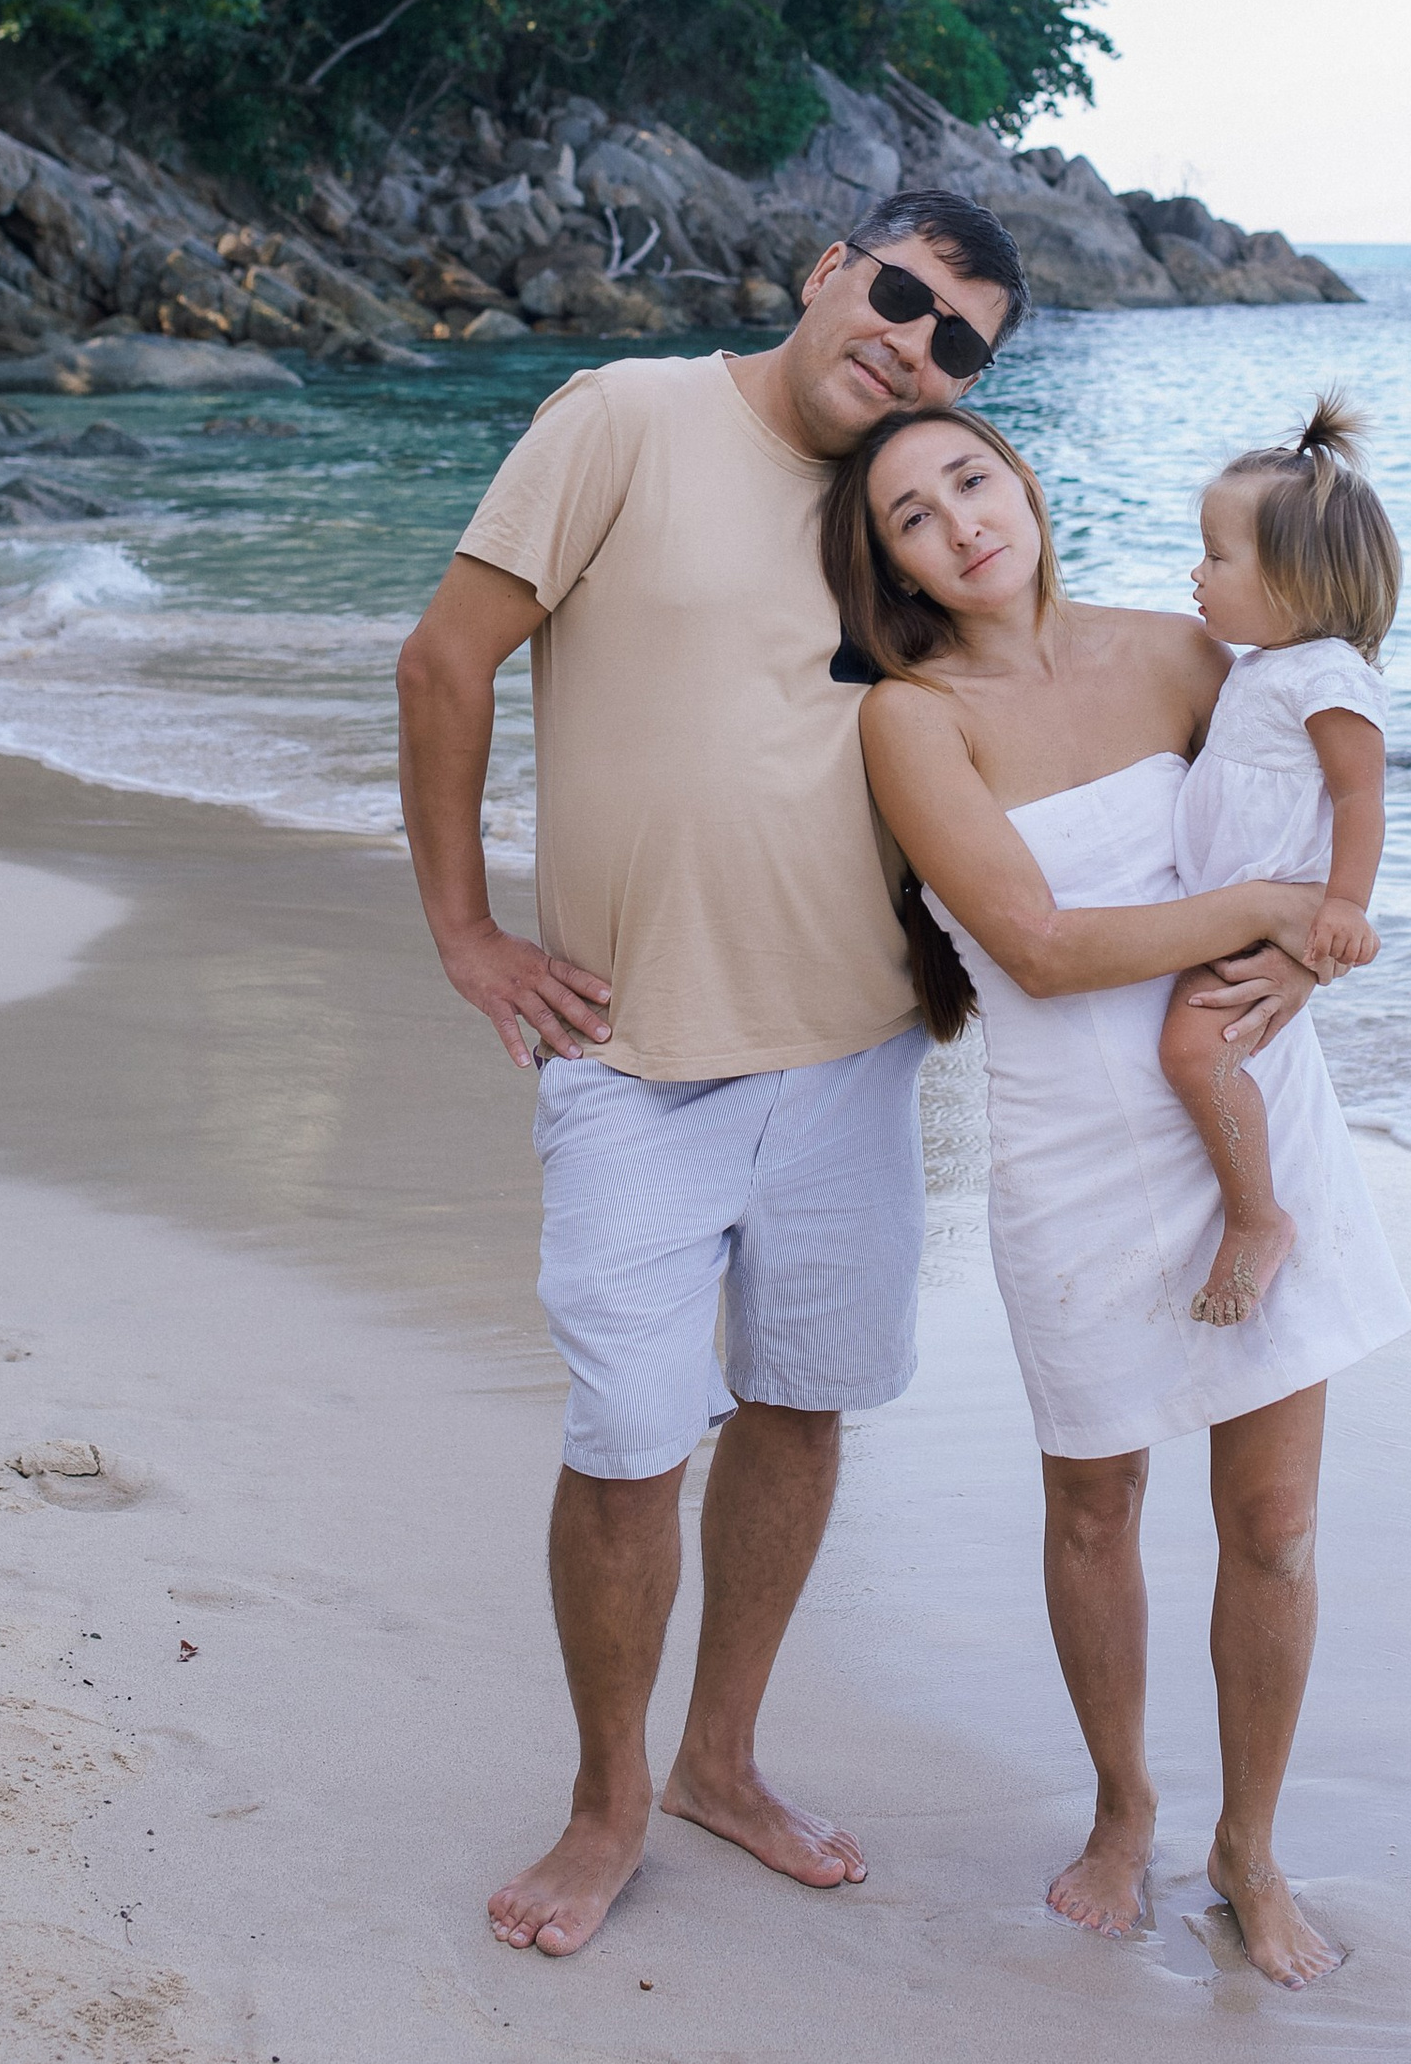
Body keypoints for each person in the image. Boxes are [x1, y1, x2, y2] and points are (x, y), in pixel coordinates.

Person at [395, 195, 1310, 1960]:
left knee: (803, 1411)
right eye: (900, 297)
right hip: (630, 1046)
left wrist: (1302, 906)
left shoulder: (905, 516)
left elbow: (1077, 699)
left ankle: (723, 1763)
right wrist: (465, 930)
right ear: (829, 271)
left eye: (961, 341)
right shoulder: (623, 418)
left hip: (856, 1058)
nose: (914, 343)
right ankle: (607, 1804)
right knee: (630, 1437)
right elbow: (449, 661)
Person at [825, 402, 1411, 1984]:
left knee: (1275, 1520)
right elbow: (1037, 944)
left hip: (1246, 1104)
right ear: (886, 565)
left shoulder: (1190, 646)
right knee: (1097, 1500)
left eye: (971, 478)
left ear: (1022, 481)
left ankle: (1249, 1852)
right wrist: (1266, 908)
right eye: (910, 517)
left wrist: (1310, 944)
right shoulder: (909, 717)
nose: (959, 522)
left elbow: (1328, 780)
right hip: (1071, 1142)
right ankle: (1122, 1809)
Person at [1157, 396, 1398, 1331]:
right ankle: (1252, 1208)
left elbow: (1360, 796)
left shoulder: (1328, 674)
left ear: (1295, 581)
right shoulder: (1262, 665)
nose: (1197, 572)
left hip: (1256, 917)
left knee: (1190, 1052)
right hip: (1225, 907)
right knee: (1192, 1049)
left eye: (1218, 556)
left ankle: (1258, 1220)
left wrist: (1343, 905)